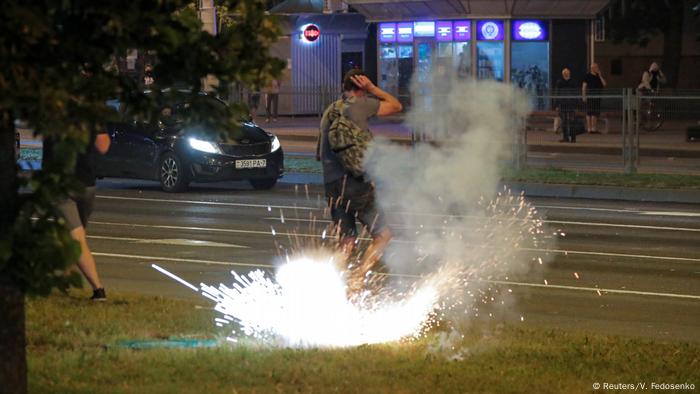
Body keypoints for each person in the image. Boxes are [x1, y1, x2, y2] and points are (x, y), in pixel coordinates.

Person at [317, 69, 402, 289]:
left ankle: (331, 284)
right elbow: (395, 105)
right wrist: (373, 89)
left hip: (331, 184)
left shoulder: (329, 111)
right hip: (354, 183)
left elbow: (320, 153)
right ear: (360, 87)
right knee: (383, 234)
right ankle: (357, 278)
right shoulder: (360, 104)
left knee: (346, 242)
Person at [44, 130, 111, 300]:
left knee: (76, 239)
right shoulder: (90, 113)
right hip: (86, 182)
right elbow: (103, 145)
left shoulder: (51, 110)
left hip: (61, 183)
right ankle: (64, 281)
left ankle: (98, 290)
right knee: (76, 235)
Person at [582, 63, 606, 134]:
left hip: (597, 96)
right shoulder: (587, 76)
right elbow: (584, 86)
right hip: (590, 96)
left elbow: (604, 84)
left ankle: (594, 128)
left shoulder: (598, 77)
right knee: (589, 112)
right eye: (595, 67)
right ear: (592, 68)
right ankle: (589, 128)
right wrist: (584, 96)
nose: (597, 68)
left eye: (597, 67)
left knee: (595, 113)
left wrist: (600, 75)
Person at [555, 67, 578, 143]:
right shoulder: (559, 82)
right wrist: (557, 105)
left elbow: (576, 93)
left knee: (572, 121)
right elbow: (557, 93)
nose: (565, 74)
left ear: (569, 73)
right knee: (564, 121)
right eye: (564, 73)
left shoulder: (573, 82)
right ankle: (565, 137)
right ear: (562, 74)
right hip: (563, 103)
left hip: (571, 104)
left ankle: (573, 138)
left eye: (567, 72)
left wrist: (576, 104)